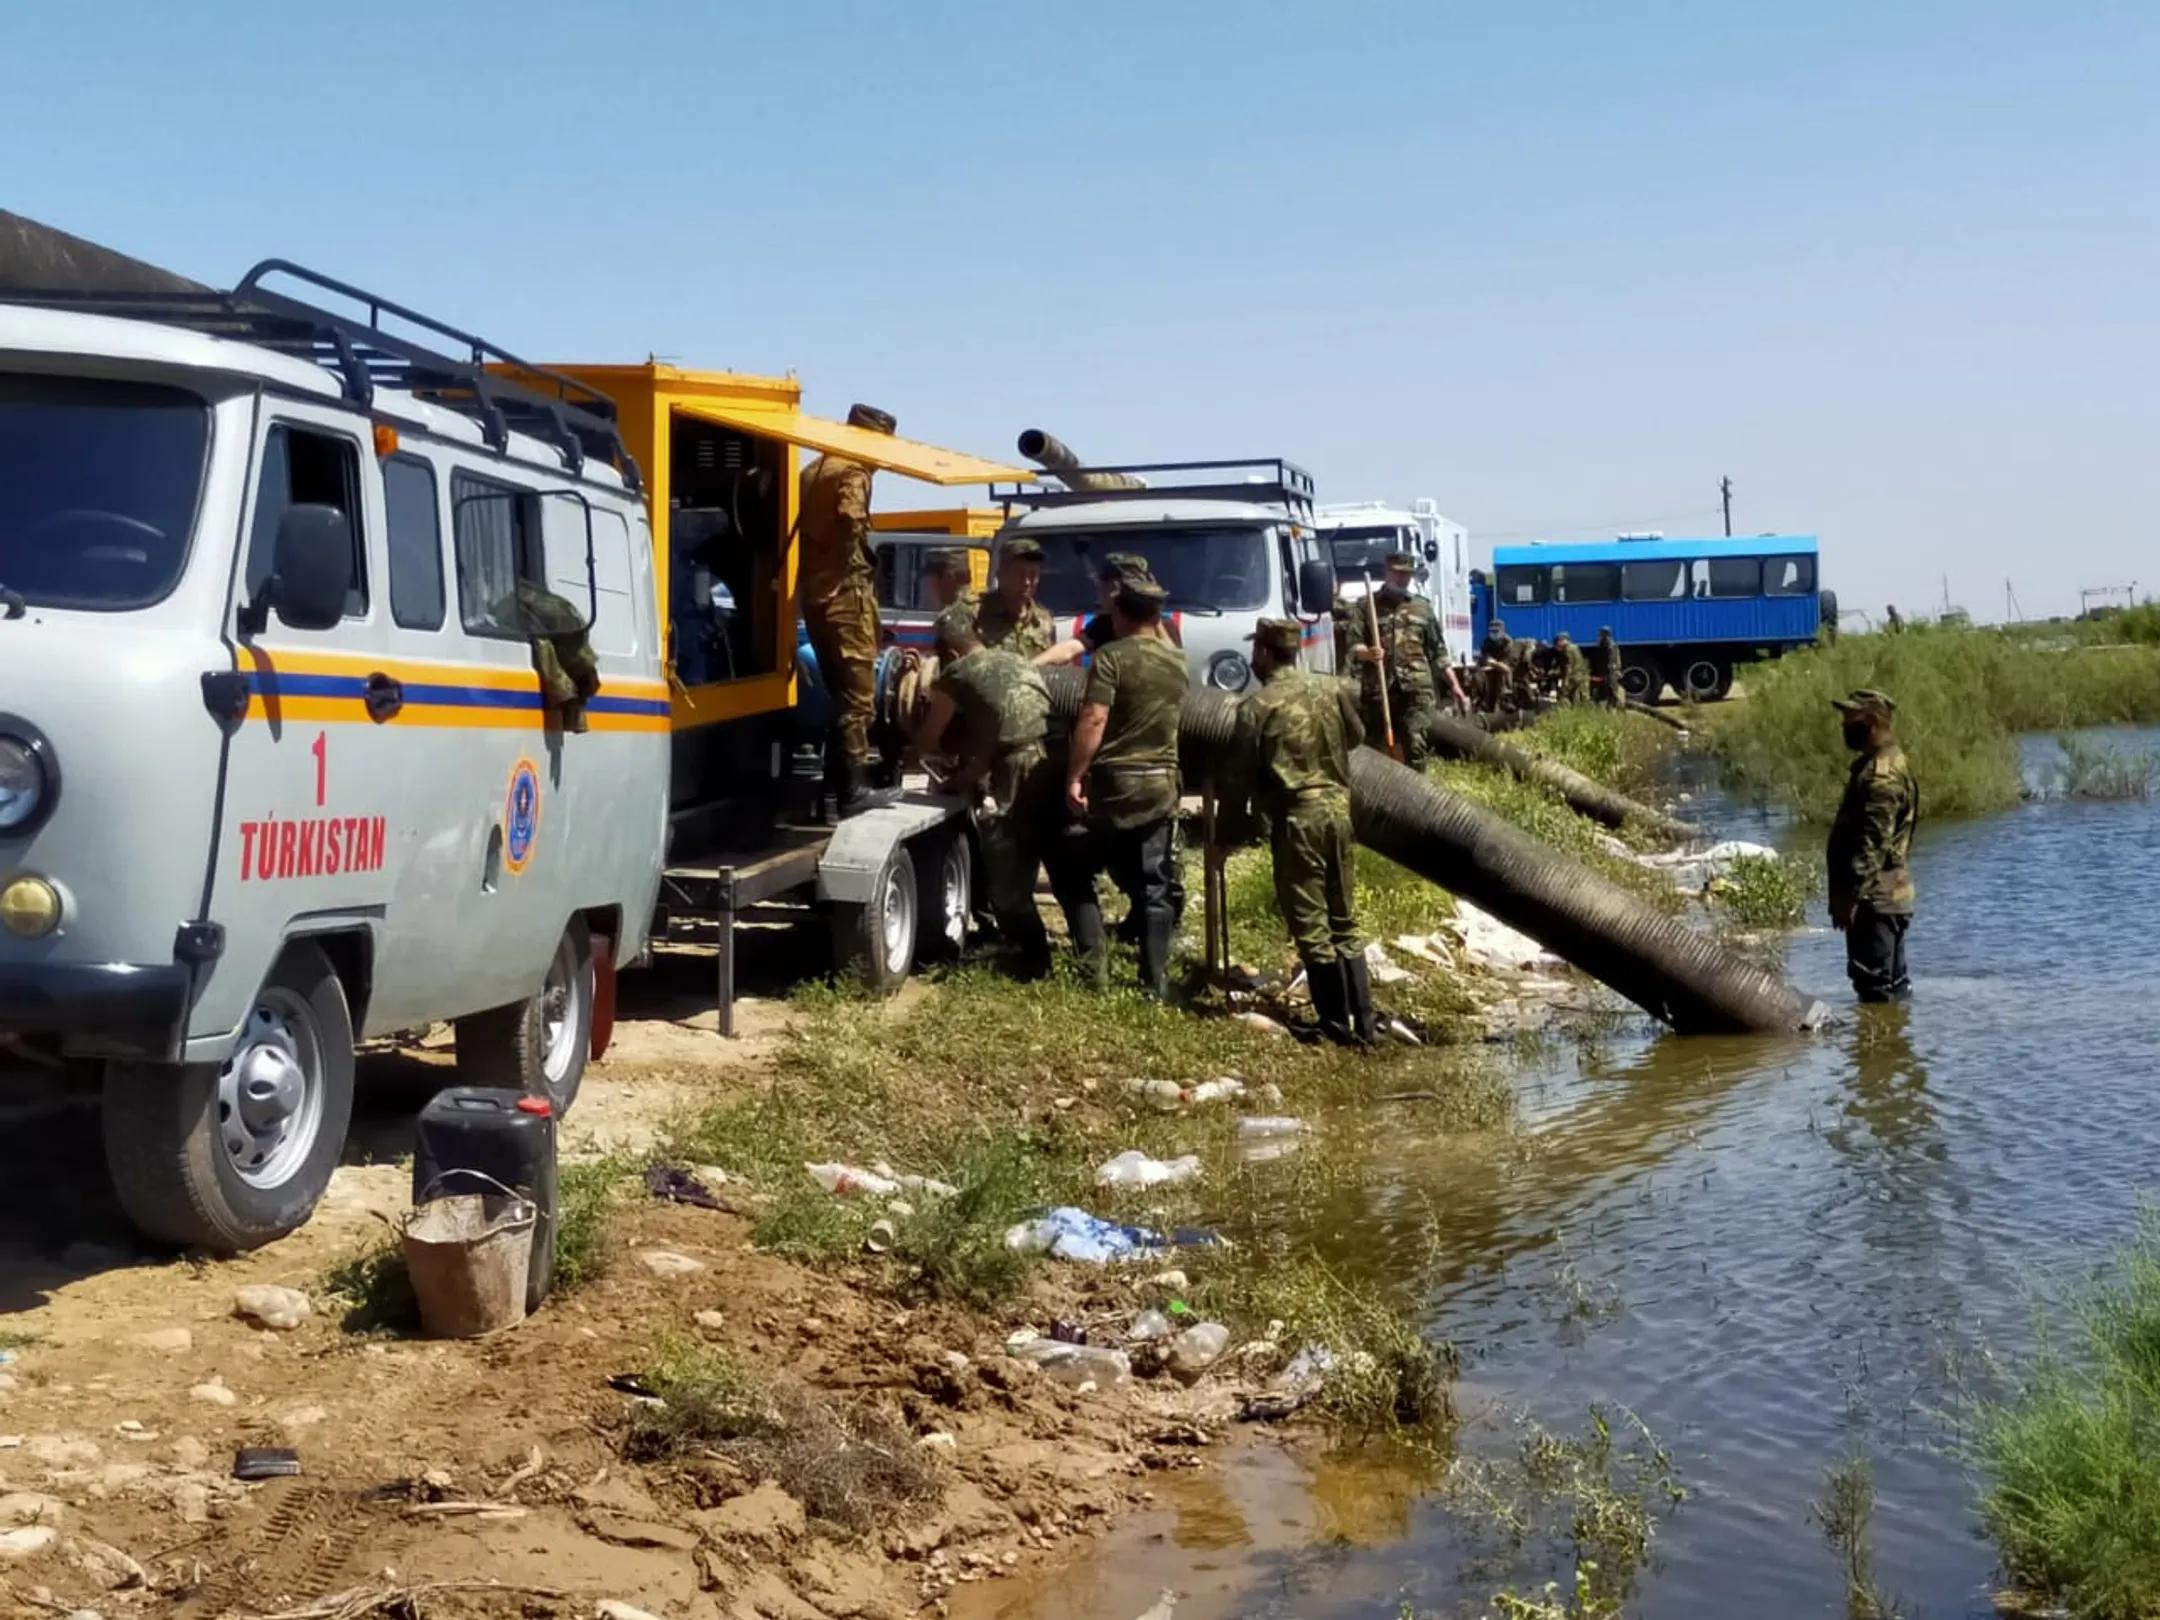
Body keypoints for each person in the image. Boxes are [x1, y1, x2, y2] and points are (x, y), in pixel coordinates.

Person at [1218, 619, 1373, 1045]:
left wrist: (1225, 838)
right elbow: (1356, 736)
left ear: (1265, 653)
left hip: (1297, 820)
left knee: (1311, 925)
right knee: (1344, 919)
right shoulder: (1332, 689)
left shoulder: (1257, 706)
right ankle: (1366, 1022)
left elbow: (1238, 779)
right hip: (1339, 815)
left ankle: (1336, 1026)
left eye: (1256, 651)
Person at [913, 607, 1057, 979]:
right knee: (1045, 855)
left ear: (951, 651)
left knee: (1005, 866)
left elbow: (929, 738)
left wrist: (921, 755)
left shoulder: (957, 673)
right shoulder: (1014, 659)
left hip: (1012, 769)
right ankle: (1072, 954)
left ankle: (1031, 958)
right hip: (1048, 760)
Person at [1062, 577, 1186, 997]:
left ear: (1121, 614)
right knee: (1156, 885)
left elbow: (1094, 718)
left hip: (1116, 786)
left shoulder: (1112, 657)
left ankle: (1094, 975)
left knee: (1076, 868)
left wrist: (1075, 775)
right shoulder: (1177, 662)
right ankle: (1155, 983)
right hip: (1161, 785)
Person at [800, 403, 898, 817]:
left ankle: (832, 794)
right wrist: (853, 564)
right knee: (859, 700)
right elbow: (850, 520)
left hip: (816, 596)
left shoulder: (813, 469)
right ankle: (856, 790)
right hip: (846, 596)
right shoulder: (853, 471)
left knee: (837, 697)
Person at [1827, 689, 1919, 1003]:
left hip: (1875, 899)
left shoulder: (1882, 777)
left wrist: (1851, 896)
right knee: (1890, 985)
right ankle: (1893, 1046)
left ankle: (1880, 1050)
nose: (1844, 727)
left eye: (1851, 720)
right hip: (1883, 896)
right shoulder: (1877, 764)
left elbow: (1873, 843)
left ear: (1874, 722)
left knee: (1875, 990)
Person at [1333, 552, 1463, 769]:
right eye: (1398, 573)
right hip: (1379, 689)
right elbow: (1353, 646)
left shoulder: (1422, 607)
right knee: (1377, 748)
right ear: (1387, 572)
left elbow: (1438, 653)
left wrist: (1455, 686)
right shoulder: (1367, 606)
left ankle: (1417, 795)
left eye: (1407, 575)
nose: (1403, 579)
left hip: (1415, 689)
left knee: (1415, 743)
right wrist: (1369, 653)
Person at [1036, 553, 1182, 666]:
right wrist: (1029, 668)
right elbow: (1070, 649)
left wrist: (1156, 621)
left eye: (1103, 584)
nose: (1099, 590)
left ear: (1115, 588)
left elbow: (1175, 665)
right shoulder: (1105, 623)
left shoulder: (1162, 625)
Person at [974, 537, 1056, 658]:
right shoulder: (976, 616)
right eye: (1019, 573)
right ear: (1000, 575)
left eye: (1033, 574)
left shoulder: (1044, 621)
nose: (1027, 582)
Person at [923, 548, 976, 618]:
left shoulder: (955, 615)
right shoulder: (974, 606)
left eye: (932, 579)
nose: (929, 586)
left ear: (948, 576)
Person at [1476, 618, 1513, 712]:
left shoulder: (1507, 642)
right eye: (1491, 631)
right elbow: (1484, 658)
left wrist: (1492, 662)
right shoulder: (1487, 641)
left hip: (1505, 668)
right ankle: (1485, 702)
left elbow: (1506, 666)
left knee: (1502, 678)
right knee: (1481, 676)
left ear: (1502, 630)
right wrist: (1489, 662)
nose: (1493, 633)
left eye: (1496, 631)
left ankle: (1504, 702)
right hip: (1491, 669)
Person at [1552, 630, 1590, 703]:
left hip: (1573, 676)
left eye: (1558, 642)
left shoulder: (1567, 650)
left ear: (1563, 640)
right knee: (1578, 696)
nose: (1557, 645)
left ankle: (1565, 709)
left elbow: (1568, 666)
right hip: (1580, 675)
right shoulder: (1574, 647)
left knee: (1563, 695)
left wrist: (1565, 682)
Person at [1588, 626, 1623, 706]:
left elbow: (1612, 661)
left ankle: (1617, 706)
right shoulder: (1602, 645)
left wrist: (1608, 674)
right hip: (1604, 672)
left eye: (1601, 634)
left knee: (1612, 691)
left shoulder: (1611, 646)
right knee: (1603, 691)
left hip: (1610, 673)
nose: (1599, 636)